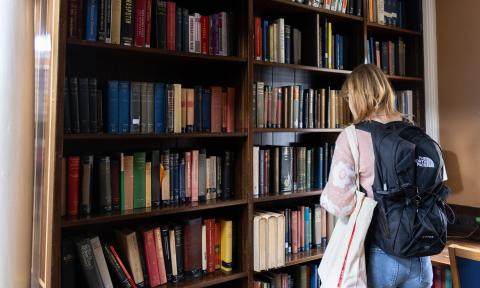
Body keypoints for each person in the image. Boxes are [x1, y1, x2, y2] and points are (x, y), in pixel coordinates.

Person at [320, 64, 433, 287]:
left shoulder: (352, 136)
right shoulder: (412, 129)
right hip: (421, 254)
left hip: (380, 253)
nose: (349, 104)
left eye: (349, 98)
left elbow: (340, 204)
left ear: (358, 96)